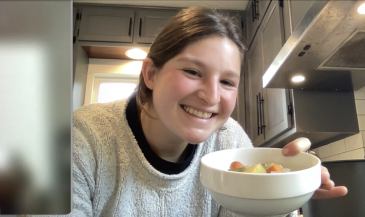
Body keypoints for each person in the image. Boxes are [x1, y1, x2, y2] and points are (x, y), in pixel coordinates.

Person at [69, 7, 347, 216]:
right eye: (192, 71)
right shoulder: (83, 136)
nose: (211, 96)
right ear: (151, 74)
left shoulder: (230, 142)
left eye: (227, 82)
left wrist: (280, 194)